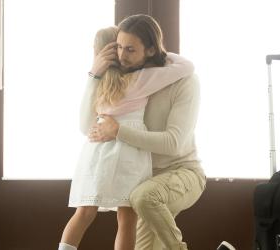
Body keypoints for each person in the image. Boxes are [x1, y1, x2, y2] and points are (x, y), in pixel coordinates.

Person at [88, 14, 230, 250]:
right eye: (119, 48)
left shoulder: (185, 82)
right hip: (145, 180)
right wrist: (93, 74)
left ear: (151, 49)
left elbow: (173, 143)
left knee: (144, 197)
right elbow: (86, 125)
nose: (122, 57)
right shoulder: (127, 81)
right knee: (143, 203)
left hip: (183, 172)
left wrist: (118, 131)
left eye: (131, 49)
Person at [58, 26, 194, 250]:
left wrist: (94, 70)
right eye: (120, 47)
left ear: (99, 52)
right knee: (127, 218)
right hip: (128, 152)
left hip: (97, 151)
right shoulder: (140, 80)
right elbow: (187, 66)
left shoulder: (98, 82)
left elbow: (84, 126)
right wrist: (155, 53)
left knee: (84, 212)